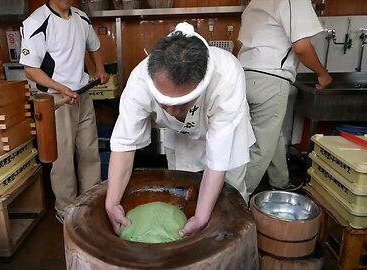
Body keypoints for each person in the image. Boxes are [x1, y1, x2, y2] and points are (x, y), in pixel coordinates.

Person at [105, 22, 255, 237]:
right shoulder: (139, 81)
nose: (172, 111)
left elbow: (218, 159)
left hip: (227, 130)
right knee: (182, 190)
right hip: (182, 134)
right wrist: (112, 202)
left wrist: (202, 217)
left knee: (228, 201)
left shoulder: (226, 75)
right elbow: (124, 144)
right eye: (164, 103)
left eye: (182, 103)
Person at [20, 0, 109, 224]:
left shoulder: (81, 17)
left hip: (83, 94)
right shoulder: (36, 22)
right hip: (56, 99)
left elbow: (94, 45)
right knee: (63, 158)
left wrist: (99, 68)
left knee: (90, 152)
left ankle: (91, 204)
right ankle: (65, 209)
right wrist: (61, 88)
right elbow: (30, 69)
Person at [237, 0, 332, 194]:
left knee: (270, 133)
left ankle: (280, 181)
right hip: (270, 78)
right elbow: (301, 47)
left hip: (243, 76)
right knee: (261, 147)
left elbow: (238, 47)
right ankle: (234, 201)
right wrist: (323, 74)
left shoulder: (255, 3)